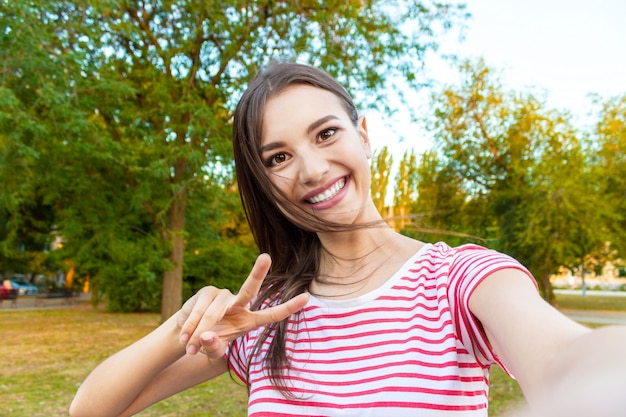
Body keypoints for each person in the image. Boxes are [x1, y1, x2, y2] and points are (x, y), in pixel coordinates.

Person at [70, 63, 626, 417]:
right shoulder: (263, 316)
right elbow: (90, 410)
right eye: (278, 157)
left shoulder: (460, 280)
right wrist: (183, 328)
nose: (311, 169)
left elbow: (562, 358)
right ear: (263, 182)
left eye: (326, 133)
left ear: (363, 138)